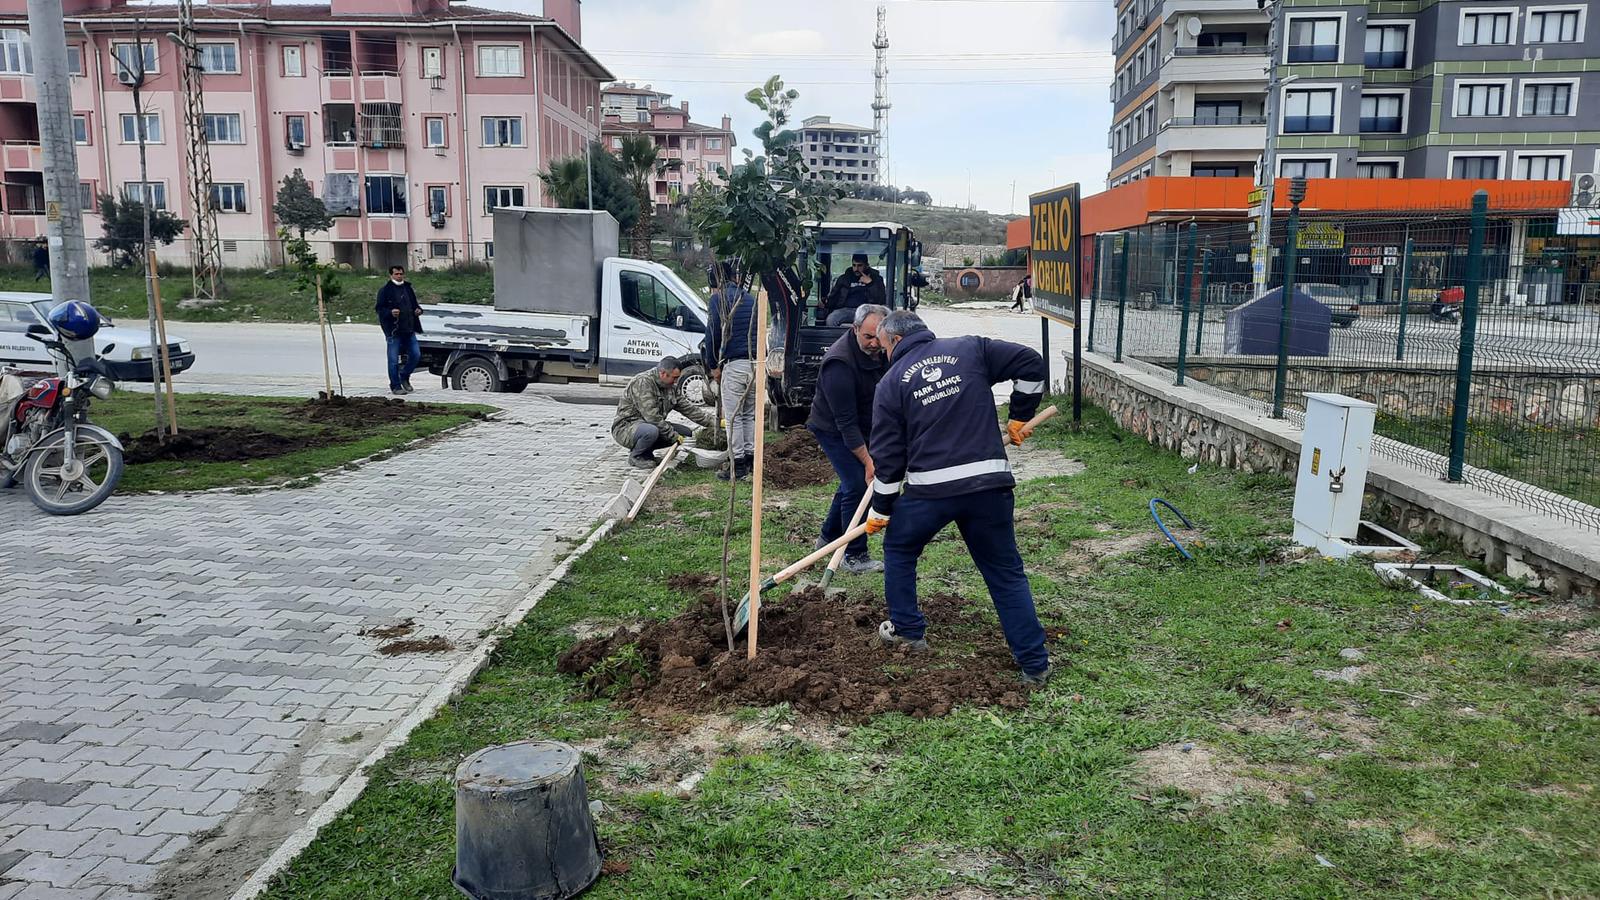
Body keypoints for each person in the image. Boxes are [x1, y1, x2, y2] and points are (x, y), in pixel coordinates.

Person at [865, 309, 1052, 685]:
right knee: (1004, 573)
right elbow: (1032, 363)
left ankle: (907, 629)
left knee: (900, 550)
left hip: (931, 492)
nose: (883, 352)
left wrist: (882, 509)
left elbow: (888, 460)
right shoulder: (971, 349)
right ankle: (1034, 664)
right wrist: (1020, 414)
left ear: (896, 341)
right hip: (989, 484)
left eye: (883, 345)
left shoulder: (890, 384)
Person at [807, 303, 890, 574]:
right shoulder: (839, 364)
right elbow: (846, 424)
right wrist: (868, 461)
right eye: (868, 337)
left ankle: (828, 539)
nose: (875, 343)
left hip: (864, 424)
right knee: (857, 484)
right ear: (855, 329)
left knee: (848, 485)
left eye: (880, 336)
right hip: (832, 428)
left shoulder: (884, 349)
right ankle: (853, 555)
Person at [702, 263, 757, 481]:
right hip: (755, 364)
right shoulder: (751, 299)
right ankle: (751, 462)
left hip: (735, 365)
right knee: (750, 415)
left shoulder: (719, 300)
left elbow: (713, 333)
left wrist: (713, 365)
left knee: (734, 418)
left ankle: (738, 467)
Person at [612, 356, 717, 469]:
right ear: (663, 374)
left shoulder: (670, 387)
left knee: (685, 433)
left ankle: (647, 454)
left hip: (648, 426)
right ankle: (637, 455)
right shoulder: (643, 382)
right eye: (674, 378)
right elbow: (652, 418)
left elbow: (690, 410)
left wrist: (715, 422)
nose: (676, 381)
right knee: (651, 431)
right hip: (626, 428)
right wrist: (673, 436)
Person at [375, 265, 424, 395]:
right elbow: (379, 309)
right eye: (396, 274)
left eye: (401, 274)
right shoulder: (385, 290)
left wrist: (418, 310)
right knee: (393, 360)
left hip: (409, 329)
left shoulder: (408, 288)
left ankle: (404, 376)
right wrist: (390, 312)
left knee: (416, 355)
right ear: (391, 275)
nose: (399, 276)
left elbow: (415, 304)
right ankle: (395, 386)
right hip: (394, 331)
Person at [823, 253, 887, 326]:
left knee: (878, 322)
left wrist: (870, 284)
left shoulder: (876, 279)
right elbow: (834, 296)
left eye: (860, 265)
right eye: (854, 265)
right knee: (831, 319)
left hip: (868, 310)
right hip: (846, 309)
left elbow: (881, 299)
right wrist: (826, 304)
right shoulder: (844, 278)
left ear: (866, 265)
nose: (856, 269)